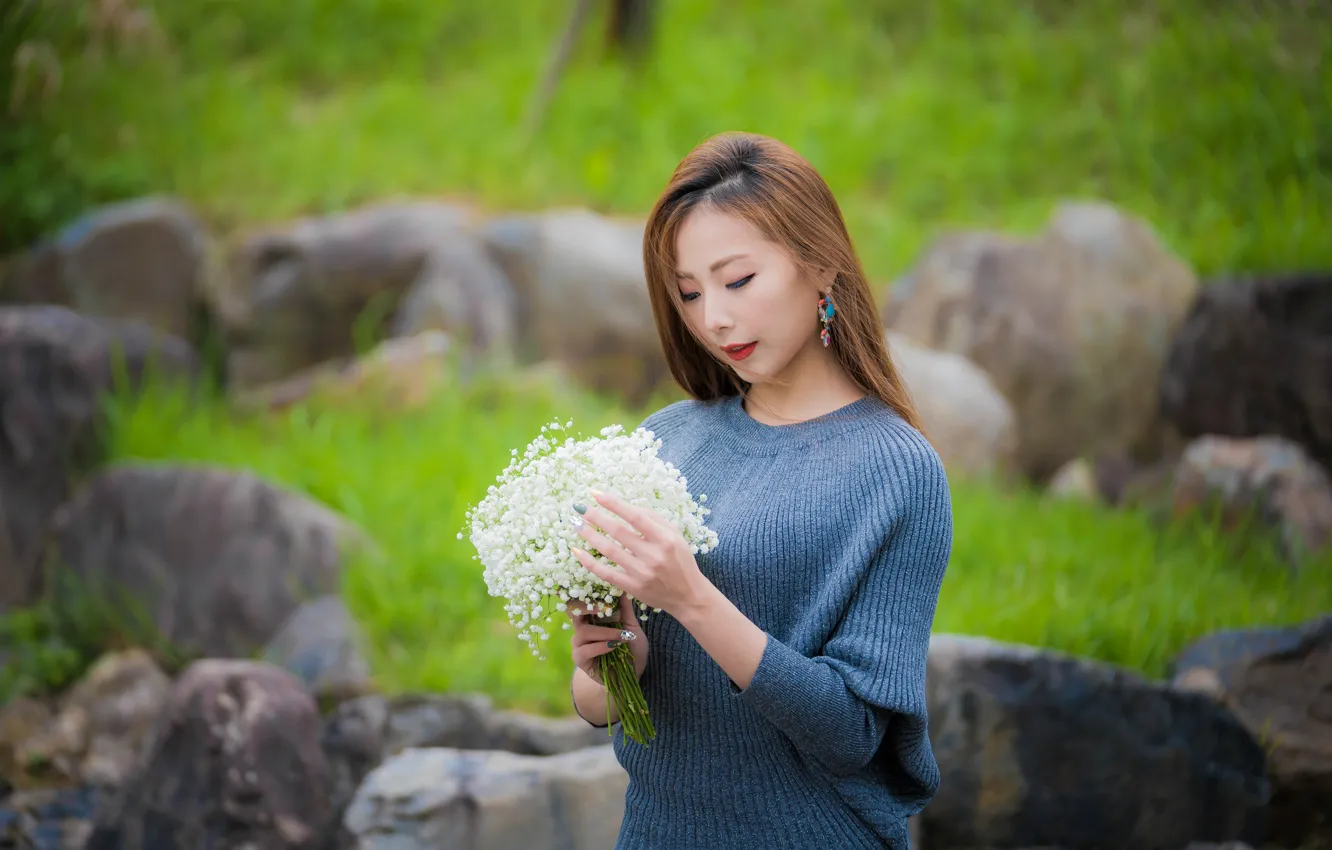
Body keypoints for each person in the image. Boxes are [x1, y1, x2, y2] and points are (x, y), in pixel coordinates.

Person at [565, 131, 953, 849]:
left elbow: (853, 733)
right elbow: (597, 706)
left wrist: (691, 597)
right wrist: (612, 659)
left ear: (822, 264)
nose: (714, 317)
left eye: (738, 280)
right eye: (689, 293)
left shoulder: (897, 471)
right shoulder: (666, 441)